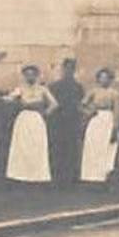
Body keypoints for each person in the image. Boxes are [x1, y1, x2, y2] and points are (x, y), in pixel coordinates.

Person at [4, 64, 57, 183]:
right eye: (27, 75)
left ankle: (37, 175)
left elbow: (54, 104)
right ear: (24, 76)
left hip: (37, 119)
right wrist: (5, 99)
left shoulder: (42, 89)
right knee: (23, 146)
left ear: (37, 76)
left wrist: (45, 113)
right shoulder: (21, 89)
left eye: (32, 74)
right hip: (24, 119)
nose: (30, 77)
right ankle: (21, 174)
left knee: (37, 145)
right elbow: (10, 98)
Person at [78, 67, 119, 184]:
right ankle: (91, 176)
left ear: (110, 79)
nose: (104, 80)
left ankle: (104, 176)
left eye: (106, 78)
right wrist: (89, 112)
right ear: (98, 79)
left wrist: (115, 128)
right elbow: (81, 106)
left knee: (105, 148)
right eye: (101, 78)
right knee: (93, 147)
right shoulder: (93, 91)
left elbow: (117, 111)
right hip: (95, 120)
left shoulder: (114, 93)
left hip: (108, 119)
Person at [47, 57, 84, 186]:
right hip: (58, 122)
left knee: (72, 148)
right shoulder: (54, 86)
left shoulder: (78, 87)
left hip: (73, 121)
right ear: (63, 69)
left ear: (74, 70)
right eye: (66, 68)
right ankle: (57, 178)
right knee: (57, 148)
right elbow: (51, 104)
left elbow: (80, 104)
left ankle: (71, 178)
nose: (68, 71)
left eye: (71, 69)